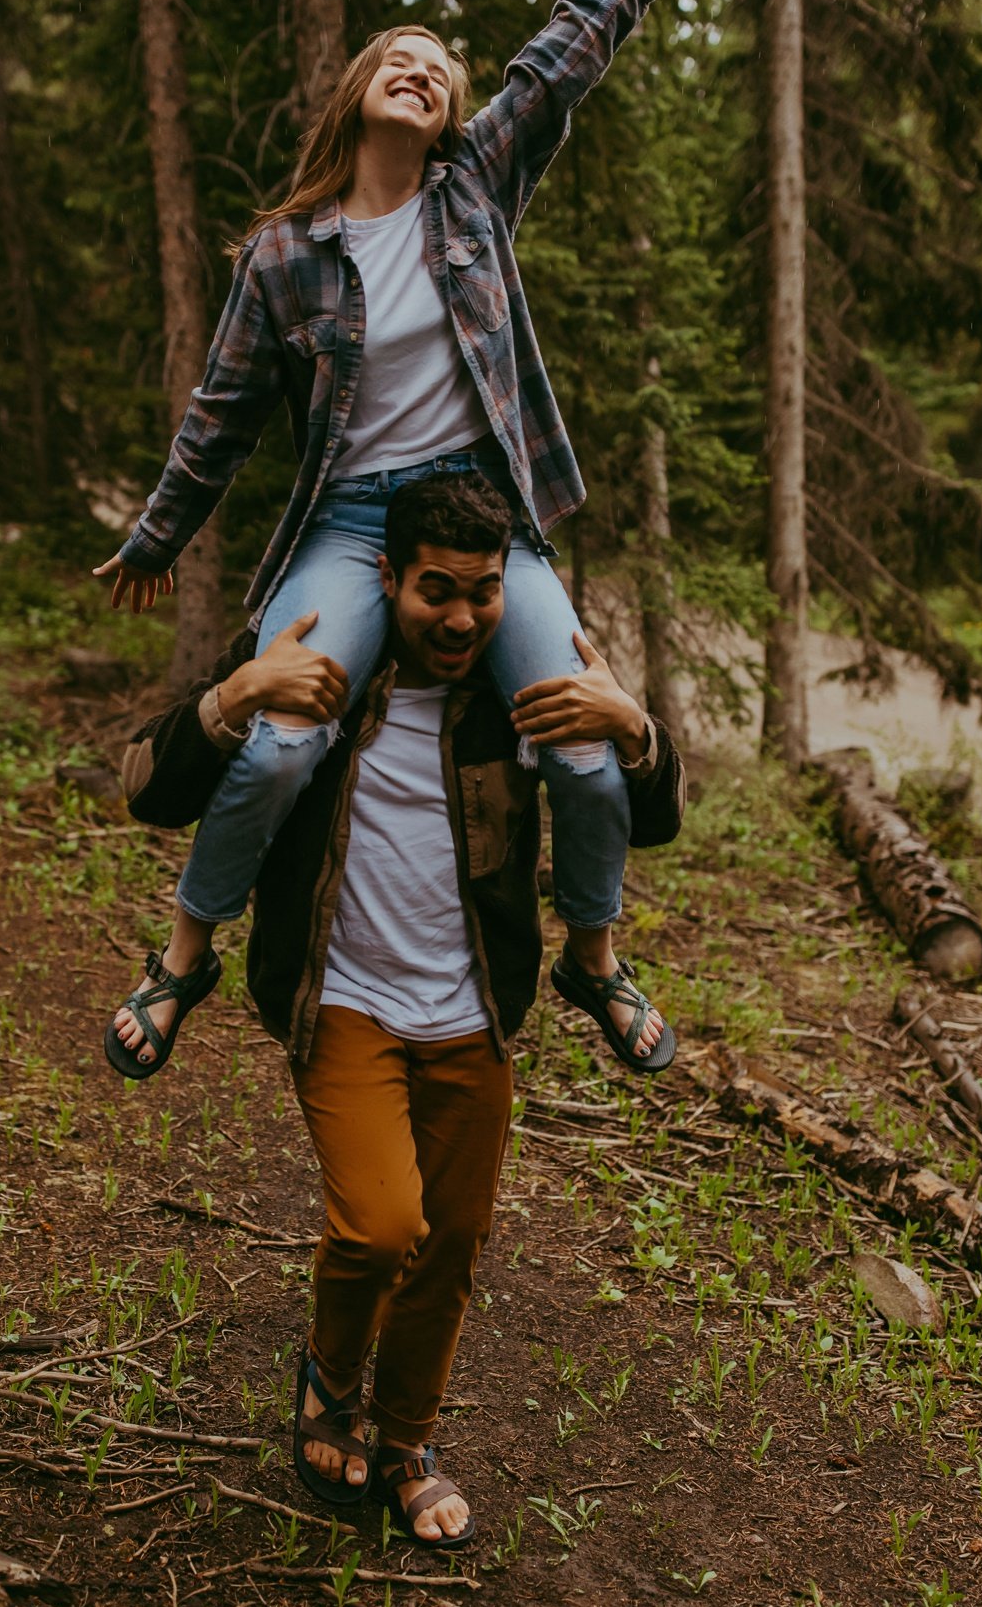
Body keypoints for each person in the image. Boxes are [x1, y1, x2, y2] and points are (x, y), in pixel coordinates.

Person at [95, 0, 697, 1076]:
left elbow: (568, 50)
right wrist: (158, 532)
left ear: (453, 112)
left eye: (443, 67)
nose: (424, 70)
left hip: (488, 526)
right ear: (360, 88)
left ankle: (594, 958)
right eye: (401, 57)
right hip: (357, 529)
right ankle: (184, 953)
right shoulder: (285, 255)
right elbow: (222, 414)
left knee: (586, 753)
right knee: (282, 736)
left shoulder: (473, 190)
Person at [110, 474, 685, 1548]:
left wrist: (635, 726)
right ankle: (331, 1382)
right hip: (346, 1003)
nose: (460, 617)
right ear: (388, 575)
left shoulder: (521, 700)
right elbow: (145, 784)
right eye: (435, 591)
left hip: (474, 1012)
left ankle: (410, 1437)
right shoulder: (324, 680)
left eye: (481, 592)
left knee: (453, 1240)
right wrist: (236, 692)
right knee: (382, 1225)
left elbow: (640, 816)